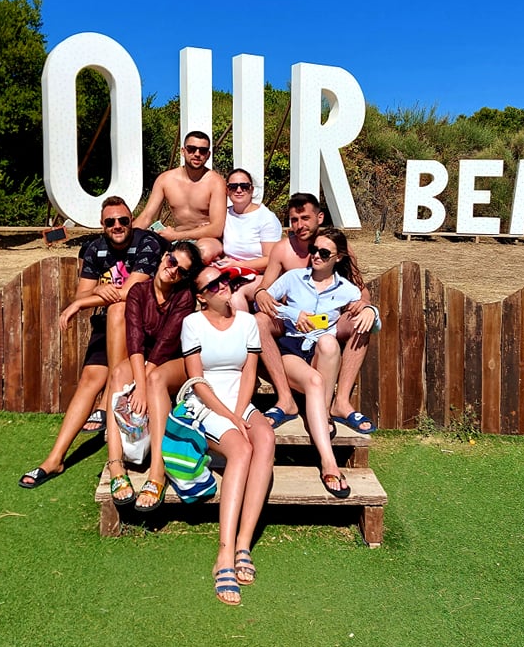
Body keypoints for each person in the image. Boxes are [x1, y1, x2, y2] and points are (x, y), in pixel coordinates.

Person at [18, 196, 162, 489]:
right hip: (109, 326)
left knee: (118, 308)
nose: (117, 226)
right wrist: (96, 291)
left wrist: (80, 304)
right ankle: (55, 458)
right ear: (102, 225)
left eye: (123, 220)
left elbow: (130, 292)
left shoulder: (148, 244)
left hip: (145, 326)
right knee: (88, 378)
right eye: (110, 222)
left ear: (131, 221)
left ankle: (109, 397)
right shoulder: (95, 248)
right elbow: (81, 293)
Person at [258, 228, 381, 498]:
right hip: (293, 348)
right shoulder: (293, 278)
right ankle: (329, 461)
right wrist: (292, 313)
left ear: (338, 258)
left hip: (321, 352)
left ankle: (325, 412)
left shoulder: (346, 289)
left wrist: (370, 311)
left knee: (328, 341)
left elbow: (369, 316)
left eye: (324, 253)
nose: (316, 256)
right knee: (314, 379)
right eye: (314, 250)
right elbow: (263, 301)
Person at [180, 266, 275, 606]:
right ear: (201, 297)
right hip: (205, 404)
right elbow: (197, 381)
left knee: (265, 438)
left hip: (240, 401)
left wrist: (241, 411)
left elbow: (249, 372)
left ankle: (243, 546)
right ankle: (224, 553)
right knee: (241, 450)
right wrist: (231, 417)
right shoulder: (192, 324)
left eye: (224, 280)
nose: (222, 286)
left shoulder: (248, 322)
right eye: (213, 285)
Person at [254, 193, 377, 431]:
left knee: (361, 321)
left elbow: (361, 290)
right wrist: (261, 294)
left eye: (305, 218)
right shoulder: (283, 250)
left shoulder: (337, 244)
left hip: (327, 325)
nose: (300, 225)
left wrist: (365, 307)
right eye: (294, 219)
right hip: (291, 325)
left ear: (319, 217)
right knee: (259, 320)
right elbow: (265, 290)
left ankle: (341, 402)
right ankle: (285, 399)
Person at [104, 242, 203, 511]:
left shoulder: (184, 297)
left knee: (156, 379)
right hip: (145, 359)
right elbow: (134, 340)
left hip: (174, 360)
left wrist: (143, 386)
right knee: (118, 373)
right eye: (172, 261)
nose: (173, 270)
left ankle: (157, 472)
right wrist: (138, 384)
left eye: (182, 271)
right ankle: (115, 465)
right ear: (163, 258)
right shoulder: (138, 291)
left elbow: (167, 344)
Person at [133, 130, 227, 243]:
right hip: (175, 238)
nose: (197, 154)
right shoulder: (166, 179)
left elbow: (216, 229)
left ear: (208, 155)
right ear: (183, 151)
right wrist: (126, 240)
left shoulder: (216, 182)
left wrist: (176, 236)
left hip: (204, 239)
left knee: (206, 249)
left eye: (203, 150)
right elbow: (146, 216)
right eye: (191, 149)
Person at [215, 168, 282, 312]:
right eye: (233, 187)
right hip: (230, 271)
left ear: (251, 189)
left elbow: (271, 260)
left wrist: (239, 264)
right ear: (227, 190)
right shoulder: (225, 214)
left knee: (234, 295)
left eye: (244, 186)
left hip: (261, 276)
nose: (239, 190)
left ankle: (243, 326)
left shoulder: (266, 218)